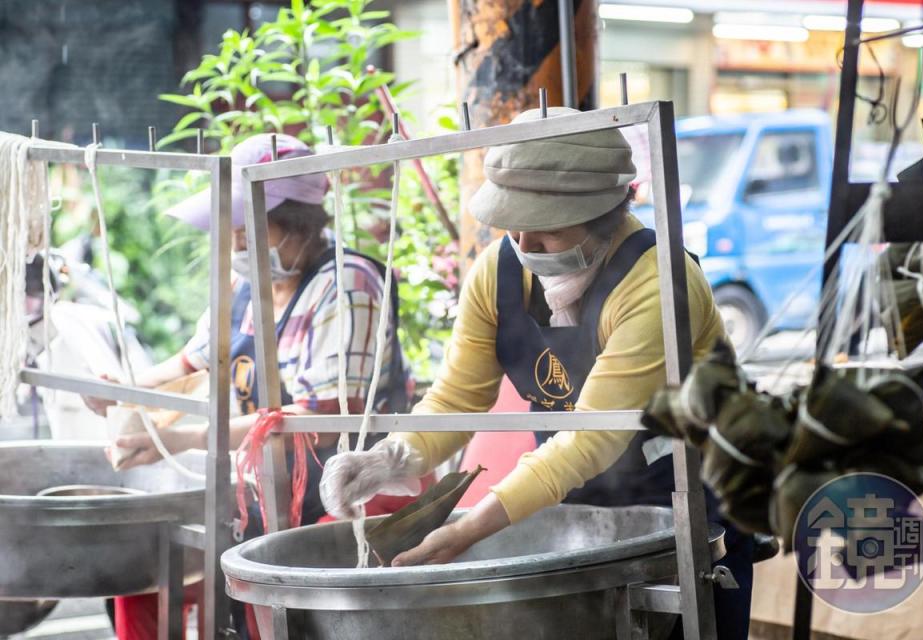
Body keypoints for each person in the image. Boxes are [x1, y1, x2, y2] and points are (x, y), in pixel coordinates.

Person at [319, 108, 754, 639]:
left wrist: (468, 531)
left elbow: (589, 436)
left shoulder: (659, 282)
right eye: (512, 224)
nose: (523, 245)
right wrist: (391, 456)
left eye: (544, 230)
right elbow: (457, 399)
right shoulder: (497, 272)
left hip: (694, 508)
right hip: (579, 514)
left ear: (605, 216)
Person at [83, 134, 419, 639]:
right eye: (233, 228)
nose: (236, 241)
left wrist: (188, 439)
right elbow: (187, 363)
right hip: (264, 493)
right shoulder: (244, 289)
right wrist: (123, 392)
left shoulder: (347, 284)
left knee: (290, 611)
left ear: (300, 223)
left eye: (250, 227)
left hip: (349, 499)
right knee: (144, 569)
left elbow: (319, 416)